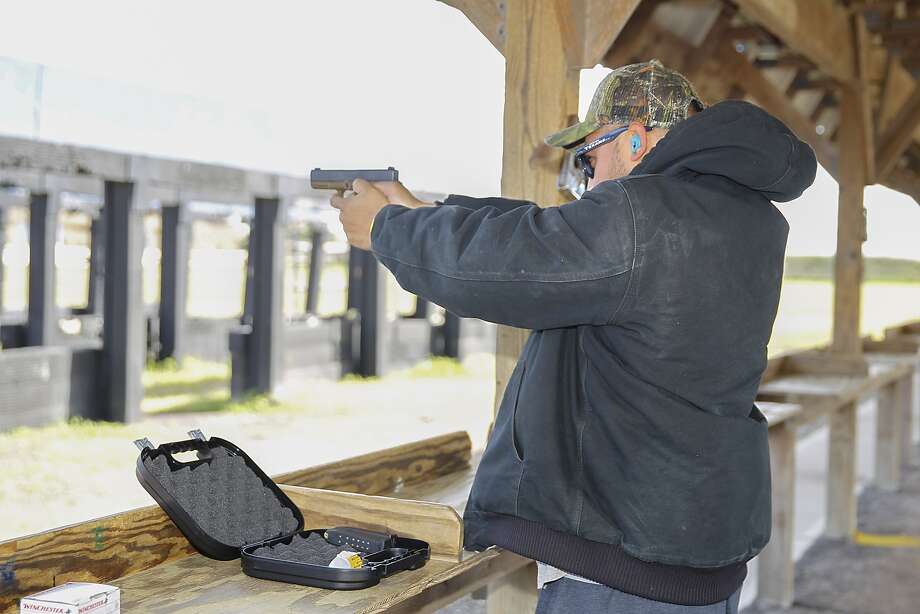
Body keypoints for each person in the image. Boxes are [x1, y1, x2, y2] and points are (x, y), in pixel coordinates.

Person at [331, 59, 817, 612]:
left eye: (588, 157)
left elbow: (515, 266)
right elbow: (547, 239)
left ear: (635, 141)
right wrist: (425, 211)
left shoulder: (644, 214)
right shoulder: (738, 218)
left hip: (625, 568)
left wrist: (386, 228)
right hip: (688, 545)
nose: (584, 178)